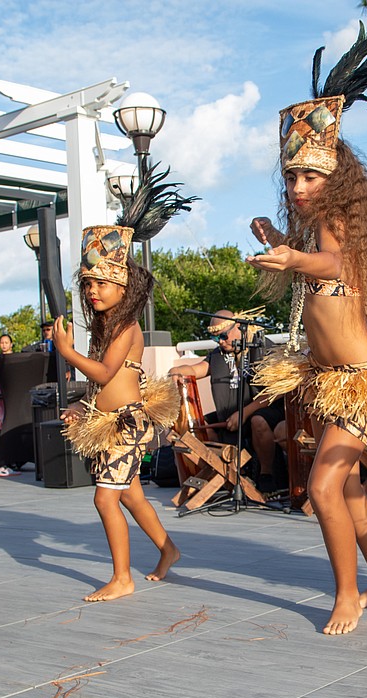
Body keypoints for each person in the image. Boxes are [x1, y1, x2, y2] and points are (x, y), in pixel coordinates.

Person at [247, 24, 367, 634]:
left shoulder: (341, 228)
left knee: (323, 486)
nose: (298, 187)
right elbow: (315, 262)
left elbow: (335, 265)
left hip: (362, 378)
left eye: (310, 177)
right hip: (332, 378)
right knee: (351, 487)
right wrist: (283, 243)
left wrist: (294, 258)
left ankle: (347, 594)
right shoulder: (312, 229)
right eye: (291, 178)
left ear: (337, 180)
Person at [58, 165, 192, 602]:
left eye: (101, 283)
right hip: (108, 421)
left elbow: (102, 372)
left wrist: (66, 352)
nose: (93, 291)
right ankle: (168, 549)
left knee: (105, 500)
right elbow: (99, 385)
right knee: (131, 496)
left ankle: (122, 577)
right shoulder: (105, 329)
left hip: (128, 424)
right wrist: (81, 407)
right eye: (89, 284)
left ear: (122, 285)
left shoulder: (127, 326)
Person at [168, 308, 285, 493]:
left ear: (238, 327)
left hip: (262, 409)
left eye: (223, 336)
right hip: (231, 413)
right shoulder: (218, 354)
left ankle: (266, 475)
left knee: (258, 421)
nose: (220, 341)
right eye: (216, 338)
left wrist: (244, 413)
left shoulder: (264, 348)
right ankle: (227, 474)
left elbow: (277, 390)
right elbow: (195, 370)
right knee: (202, 426)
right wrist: (176, 371)